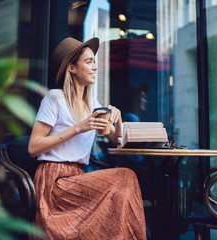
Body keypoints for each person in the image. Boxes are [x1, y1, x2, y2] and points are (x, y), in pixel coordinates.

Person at [28, 37, 147, 240]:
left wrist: (117, 120)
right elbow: (33, 147)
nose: (95, 67)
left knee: (124, 184)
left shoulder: (92, 102)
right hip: (55, 183)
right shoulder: (55, 98)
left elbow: (115, 139)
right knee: (125, 178)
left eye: (94, 61)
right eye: (89, 61)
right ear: (72, 68)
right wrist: (78, 128)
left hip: (79, 179)